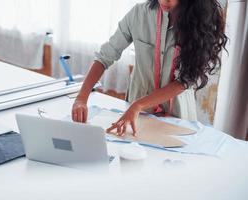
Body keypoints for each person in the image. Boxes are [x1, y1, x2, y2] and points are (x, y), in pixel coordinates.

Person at [72, 0, 228, 136]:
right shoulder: (138, 15)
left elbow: (185, 80)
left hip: (178, 117)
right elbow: (105, 56)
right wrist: (81, 98)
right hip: (134, 115)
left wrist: (138, 105)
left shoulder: (199, 24)